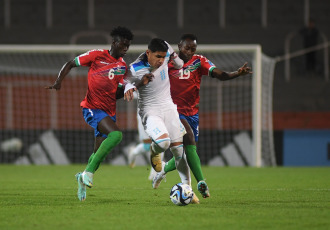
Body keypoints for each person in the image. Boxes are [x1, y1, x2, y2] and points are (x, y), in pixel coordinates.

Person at [151, 34, 252, 200]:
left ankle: (161, 172)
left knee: (185, 154)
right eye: (187, 48)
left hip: (192, 114)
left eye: (193, 48)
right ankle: (201, 184)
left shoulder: (198, 61)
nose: (190, 51)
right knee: (189, 139)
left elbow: (220, 74)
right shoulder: (167, 63)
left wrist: (236, 73)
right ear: (179, 46)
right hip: (172, 112)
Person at [46, 26, 135, 202]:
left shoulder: (122, 66)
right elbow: (71, 63)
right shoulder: (97, 55)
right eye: (123, 44)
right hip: (92, 108)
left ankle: (82, 177)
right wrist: (58, 82)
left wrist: (128, 90)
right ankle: (88, 173)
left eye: (128, 46)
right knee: (116, 135)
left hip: (109, 112)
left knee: (97, 154)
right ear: (114, 43)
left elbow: (115, 94)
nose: (125, 48)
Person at [124, 38, 192, 197]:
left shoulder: (166, 50)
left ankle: (187, 188)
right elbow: (125, 81)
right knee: (163, 142)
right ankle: (154, 152)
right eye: (158, 57)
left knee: (178, 151)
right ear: (148, 53)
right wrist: (129, 87)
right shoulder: (135, 68)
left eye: (163, 57)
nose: (161, 61)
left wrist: (177, 60)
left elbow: (177, 61)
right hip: (150, 110)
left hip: (169, 107)